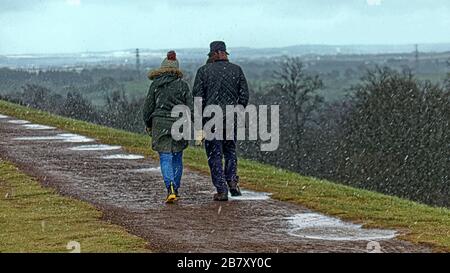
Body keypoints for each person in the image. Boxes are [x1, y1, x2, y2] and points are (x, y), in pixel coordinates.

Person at [193, 41, 249, 201]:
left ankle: (221, 189)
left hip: (210, 120)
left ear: (214, 54)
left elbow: (198, 99)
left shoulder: (203, 71)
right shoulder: (236, 70)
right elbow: (244, 95)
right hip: (231, 118)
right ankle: (231, 180)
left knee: (215, 155)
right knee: (230, 151)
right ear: (223, 53)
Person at [143, 51, 193, 203]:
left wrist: (148, 123)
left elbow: (148, 107)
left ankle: (169, 187)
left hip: (160, 123)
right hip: (179, 123)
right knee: (177, 156)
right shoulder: (182, 85)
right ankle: (175, 189)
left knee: (165, 157)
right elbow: (190, 106)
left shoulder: (155, 85)